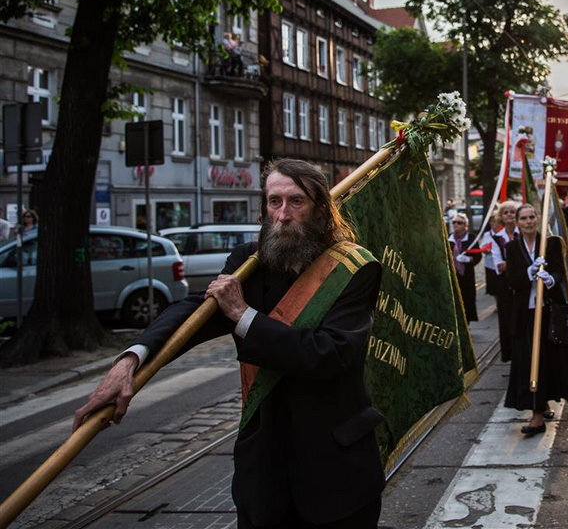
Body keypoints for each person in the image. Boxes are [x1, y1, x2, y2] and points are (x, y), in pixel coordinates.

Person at [73, 159, 385, 529]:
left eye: (296, 201)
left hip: (336, 473)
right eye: (274, 202)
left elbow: (329, 355)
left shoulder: (355, 269)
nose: (283, 215)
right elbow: (195, 311)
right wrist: (130, 360)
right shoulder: (249, 261)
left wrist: (243, 316)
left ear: (320, 207)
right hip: (264, 474)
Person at [503, 204, 568, 436]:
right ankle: (537, 415)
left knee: (547, 360)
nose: (528, 222)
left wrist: (550, 279)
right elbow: (511, 281)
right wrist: (528, 273)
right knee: (530, 361)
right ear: (518, 222)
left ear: (537, 219)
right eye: (524, 218)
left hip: (547, 312)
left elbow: (559, 271)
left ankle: (543, 404)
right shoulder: (512, 248)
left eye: (532, 217)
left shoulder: (552, 243)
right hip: (525, 313)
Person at [490, 200, 520, 363]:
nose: (509, 215)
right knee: (507, 319)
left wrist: (511, 263)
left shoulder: (522, 234)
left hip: (522, 283)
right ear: (501, 216)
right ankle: (510, 353)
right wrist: (517, 264)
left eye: (512, 212)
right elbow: (499, 266)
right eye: (506, 212)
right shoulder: (497, 239)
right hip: (504, 284)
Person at [449, 212, 481, 322]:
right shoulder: (449, 238)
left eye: (459, 222)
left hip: (466, 275)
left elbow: (478, 255)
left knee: (467, 299)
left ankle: (466, 323)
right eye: (454, 222)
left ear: (465, 225)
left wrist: (469, 259)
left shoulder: (471, 238)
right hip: (452, 275)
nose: (456, 224)